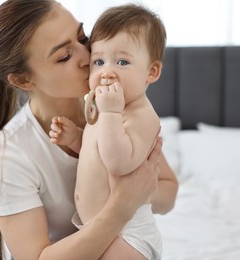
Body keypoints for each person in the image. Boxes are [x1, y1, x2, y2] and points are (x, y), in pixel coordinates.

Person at [0, 0, 178, 259]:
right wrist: (122, 204)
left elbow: (168, 189)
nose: (86, 58)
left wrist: (138, 193)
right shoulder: (8, 154)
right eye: (64, 56)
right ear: (24, 80)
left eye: (82, 38)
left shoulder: (113, 104)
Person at [49, 3, 167, 259]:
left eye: (122, 61)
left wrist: (111, 113)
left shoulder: (142, 116)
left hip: (128, 233)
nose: (107, 72)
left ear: (152, 71)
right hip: (99, 227)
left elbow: (117, 163)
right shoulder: (105, 110)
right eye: (99, 61)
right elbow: (99, 151)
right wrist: (76, 138)